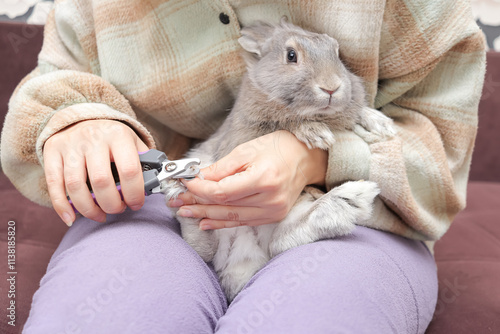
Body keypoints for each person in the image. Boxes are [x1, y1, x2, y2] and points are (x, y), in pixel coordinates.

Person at [0, 1, 486, 333]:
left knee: (315, 314)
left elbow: (440, 138)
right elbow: (60, 79)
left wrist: (317, 157)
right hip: (163, 196)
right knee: (113, 312)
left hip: (350, 201)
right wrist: (78, 120)